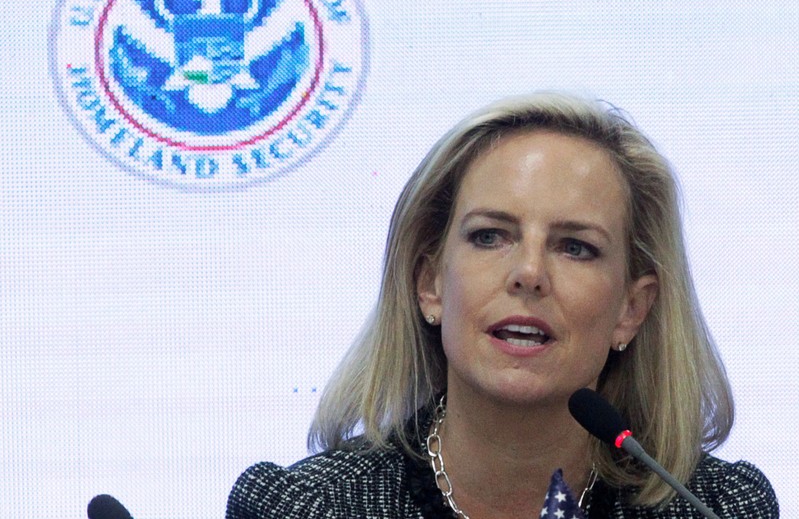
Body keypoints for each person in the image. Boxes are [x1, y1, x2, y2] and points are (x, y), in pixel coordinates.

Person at [226, 92, 779, 518]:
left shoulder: (714, 509)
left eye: (576, 247)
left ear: (631, 310)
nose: (529, 274)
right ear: (430, 284)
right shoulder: (307, 507)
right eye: (491, 236)